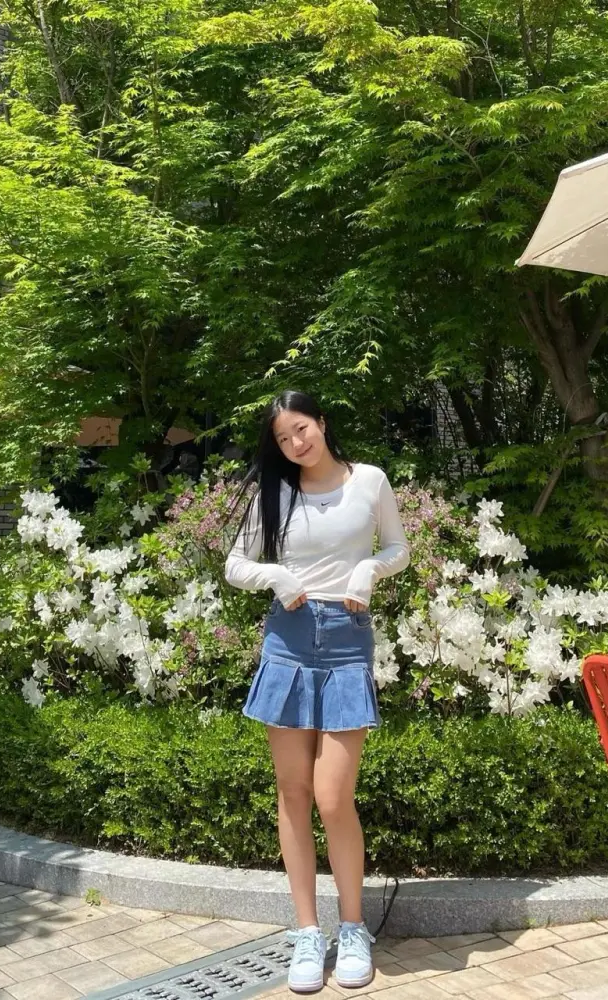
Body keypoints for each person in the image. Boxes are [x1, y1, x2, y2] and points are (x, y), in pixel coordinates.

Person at [223, 390, 410, 994]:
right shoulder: (276, 492)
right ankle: (307, 932)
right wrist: (276, 575)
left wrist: (368, 570)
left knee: (333, 797)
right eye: (283, 438)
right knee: (294, 792)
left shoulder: (369, 481)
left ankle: (352, 928)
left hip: (348, 639)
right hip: (289, 639)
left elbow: (398, 548)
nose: (295, 443)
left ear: (322, 423)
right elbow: (235, 564)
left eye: (301, 429)